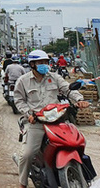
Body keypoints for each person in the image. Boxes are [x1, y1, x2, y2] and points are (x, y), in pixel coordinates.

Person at [13, 50, 88, 188]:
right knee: (27, 154)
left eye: (46, 62)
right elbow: (18, 100)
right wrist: (28, 113)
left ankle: (88, 177)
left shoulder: (55, 77)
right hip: (37, 121)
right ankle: (22, 184)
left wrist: (79, 99)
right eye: (41, 63)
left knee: (78, 141)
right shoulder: (23, 81)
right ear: (32, 64)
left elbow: (68, 90)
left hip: (57, 120)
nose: (44, 65)